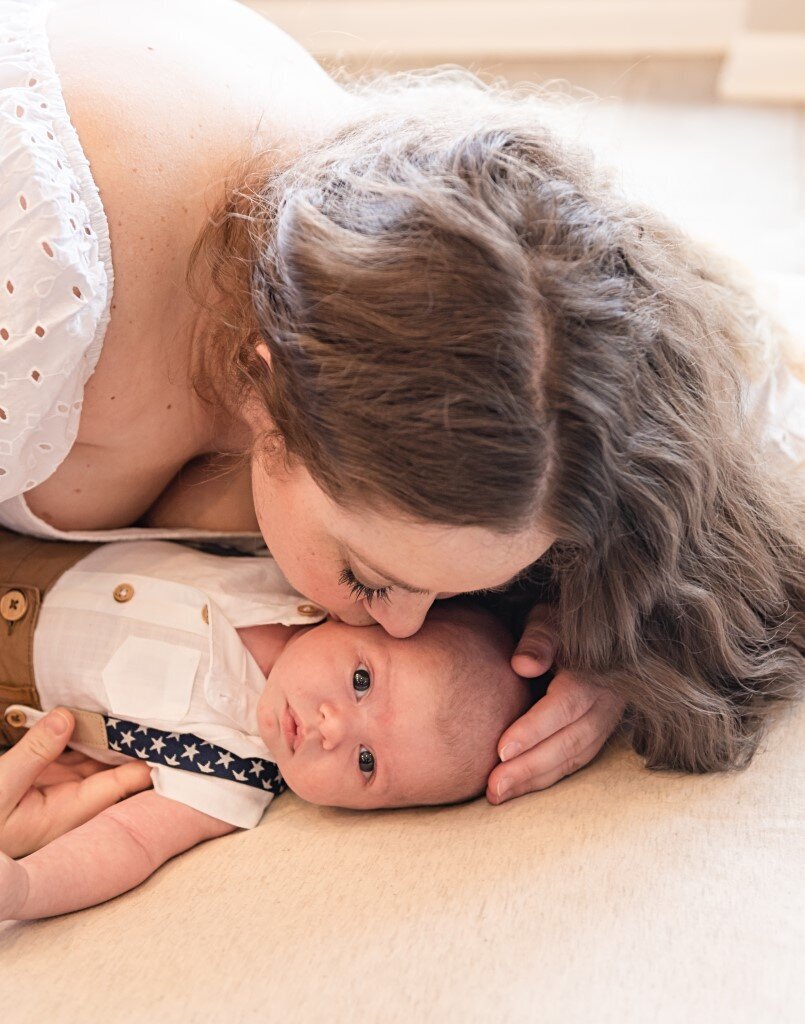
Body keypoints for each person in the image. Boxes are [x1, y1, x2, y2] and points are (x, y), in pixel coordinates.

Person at [0, 0, 802, 821]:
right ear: (266, 388)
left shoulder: (455, 242)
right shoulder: (35, 291)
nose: (409, 628)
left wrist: (590, 623)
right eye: (369, 578)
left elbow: (744, 382)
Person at [0, 538, 532, 921]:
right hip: (35, 546)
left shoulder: (231, 774)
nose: (332, 728)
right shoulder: (297, 572)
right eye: (362, 681)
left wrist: (28, 888)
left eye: (366, 762)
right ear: (366, 619)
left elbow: (128, 841)